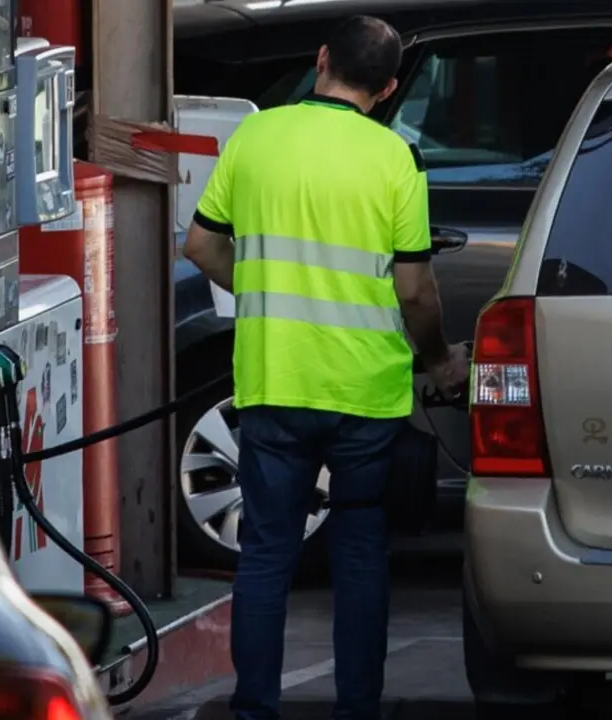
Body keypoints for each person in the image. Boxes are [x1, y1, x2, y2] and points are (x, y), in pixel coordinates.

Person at [180, 15, 470, 720]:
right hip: (365, 393)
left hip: (274, 381)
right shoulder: (393, 158)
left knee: (267, 554)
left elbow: (199, 245)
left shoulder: (256, 137)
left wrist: (261, 295)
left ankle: (254, 707)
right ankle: (358, 708)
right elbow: (413, 288)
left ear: (320, 60)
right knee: (362, 553)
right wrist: (438, 360)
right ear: (390, 85)